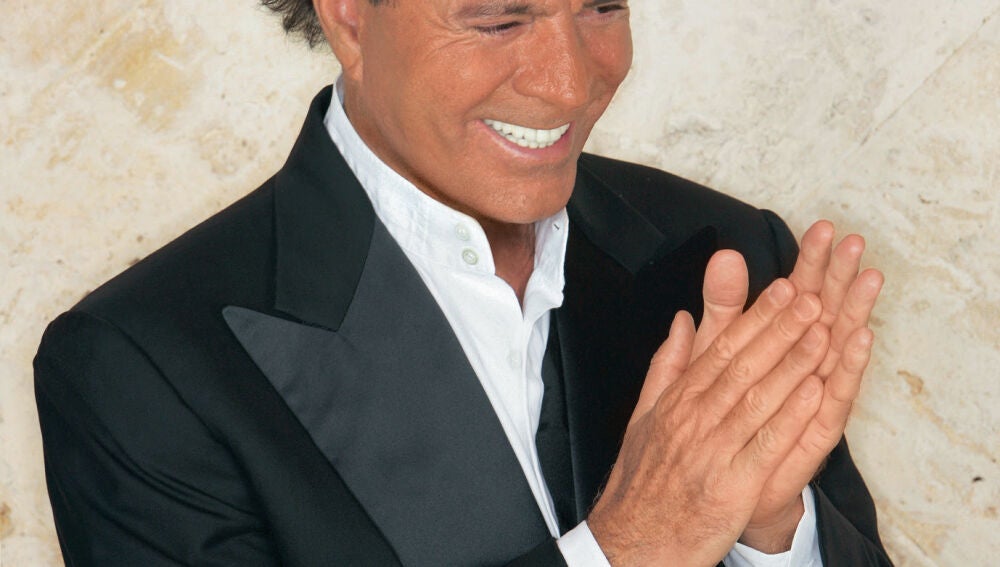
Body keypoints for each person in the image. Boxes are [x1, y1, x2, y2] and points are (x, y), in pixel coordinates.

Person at [33, 0, 892, 565]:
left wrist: (769, 534)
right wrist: (632, 546)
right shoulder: (140, 369)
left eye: (601, 5)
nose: (569, 81)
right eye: (499, 19)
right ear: (349, 18)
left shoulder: (729, 254)